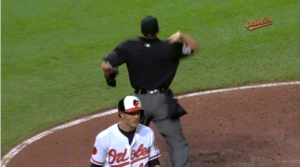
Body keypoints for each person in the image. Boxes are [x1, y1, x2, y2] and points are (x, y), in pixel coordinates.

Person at [102, 15, 199, 167]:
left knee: (130, 138)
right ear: (158, 30)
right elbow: (193, 46)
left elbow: (107, 65)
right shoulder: (169, 47)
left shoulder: (129, 46)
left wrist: (113, 73)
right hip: (161, 102)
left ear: (141, 31)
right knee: (177, 142)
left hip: (138, 102)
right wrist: (180, 35)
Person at [90, 95, 161, 167]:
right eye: (132, 113)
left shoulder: (148, 132)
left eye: (138, 113)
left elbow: (154, 162)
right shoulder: (104, 138)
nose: (136, 116)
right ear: (122, 114)